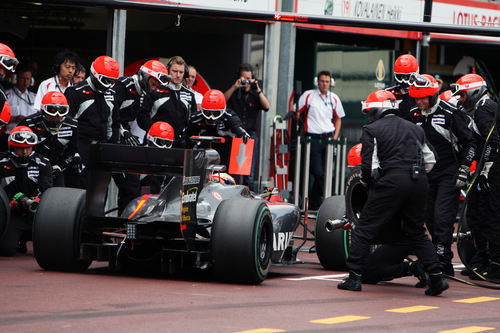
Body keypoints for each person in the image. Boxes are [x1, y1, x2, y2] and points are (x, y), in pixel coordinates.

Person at [337, 89, 448, 296]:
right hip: (419, 181)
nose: (369, 116)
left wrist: (367, 184)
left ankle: (353, 278)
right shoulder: (415, 128)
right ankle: (436, 277)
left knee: (364, 229)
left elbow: (369, 166)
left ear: (377, 111)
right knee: (417, 232)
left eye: (370, 112)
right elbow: (431, 160)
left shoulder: (371, 129)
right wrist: (414, 177)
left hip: (392, 181)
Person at [409, 74, 476, 276]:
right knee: (428, 217)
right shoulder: (412, 115)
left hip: (449, 173)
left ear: (433, 94)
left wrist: (464, 168)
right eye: (416, 98)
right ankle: (436, 255)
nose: (420, 102)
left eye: (424, 97)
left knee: (442, 217)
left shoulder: (450, 113)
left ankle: (443, 261)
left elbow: (470, 143)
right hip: (425, 175)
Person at [452, 73, 500, 280]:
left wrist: (486, 167)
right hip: (485, 170)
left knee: (491, 215)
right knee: (475, 214)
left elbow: (494, 141)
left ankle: (496, 264)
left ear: (473, 91)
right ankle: (482, 258)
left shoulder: (485, 109)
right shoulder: (479, 110)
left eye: (462, 95)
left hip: (494, 170)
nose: (461, 100)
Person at [113, 59, 170, 210]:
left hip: (121, 141)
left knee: (131, 187)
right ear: (146, 76)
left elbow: (141, 118)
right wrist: (123, 132)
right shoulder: (122, 86)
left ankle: (125, 226)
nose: (155, 89)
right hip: (107, 140)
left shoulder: (142, 94)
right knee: (97, 188)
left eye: (157, 86)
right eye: (154, 84)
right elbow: (109, 113)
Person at [64, 55, 120, 188]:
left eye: (112, 82)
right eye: (106, 81)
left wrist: (112, 148)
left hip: (101, 150)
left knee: (100, 192)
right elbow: (67, 124)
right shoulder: (75, 92)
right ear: (95, 75)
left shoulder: (111, 94)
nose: (109, 85)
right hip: (81, 148)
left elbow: (115, 123)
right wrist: (74, 152)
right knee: (78, 190)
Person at [0, 126, 52, 256]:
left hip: (37, 214)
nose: (24, 152)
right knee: (6, 250)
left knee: (50, 249)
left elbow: (47, 189)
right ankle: (17, 241)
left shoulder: (43, 163)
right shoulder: (1, 163)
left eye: (27, 148)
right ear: (12, 148)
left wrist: (37, 201)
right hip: (11, 214)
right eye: (20, 148)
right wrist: (10, 204)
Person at [298, 70, 344, 209]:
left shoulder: (334, 98)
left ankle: (315, 202)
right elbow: (296, 112)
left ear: (331, 83)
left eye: (327, 81)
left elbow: (338, 119)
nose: (324, 84)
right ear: (317, 82)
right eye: (322, 81)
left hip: (329, 139)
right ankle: (326, 198)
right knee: (318, 172)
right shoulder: (308, 96)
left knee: (327, 172)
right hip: (313, 139)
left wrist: (334, 138)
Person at [224, 63, 270, 191]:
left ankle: (248, 195)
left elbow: (267, 106)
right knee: (234, 170)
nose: (246, 81)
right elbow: (223, 100)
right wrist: (235, 86)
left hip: (250, 135)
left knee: (249, 171)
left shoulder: (255, 94)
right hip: (235, 134)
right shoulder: (235, 92)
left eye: (248, 78)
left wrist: (257, 89)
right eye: (244, 78)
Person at [19, 91, 79, 187]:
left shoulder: (72, 125)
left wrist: (60, 166)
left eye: (62, 111)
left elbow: (74, 150)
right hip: (33, 167)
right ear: (43, 110)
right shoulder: (29, 124)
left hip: (58, 168)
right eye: (51, 110)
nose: (56, 115)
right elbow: (17, 148)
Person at [138, 56, 196, 147]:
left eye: (181, 72)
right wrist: (155, 132)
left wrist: (186, 137)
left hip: (179, 144)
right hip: (155, 141)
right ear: (168, 70)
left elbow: (192, 121)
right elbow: (142, 117)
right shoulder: (155, 89)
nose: (178, 75)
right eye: (175, 71)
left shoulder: (190, 95)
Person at [189, 89, 250, 166]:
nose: (211, 117)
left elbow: (237, 126)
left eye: (215, 113)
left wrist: (242, 133)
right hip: (203, 156)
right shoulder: (196, 118)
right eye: (208, 113)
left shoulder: (229, 116)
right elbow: (187, 134)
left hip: (225, 154)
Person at [141, 121, 175, 194]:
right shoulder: (138, 155)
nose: (164, 147)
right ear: (151, 139)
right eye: (161, 143)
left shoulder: (170, 160)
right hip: (139, 196)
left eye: (168, 144)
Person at [386, 54, 418, 120]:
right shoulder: (387, 92)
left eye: (407, 77)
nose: (403, 81)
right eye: (400, 77)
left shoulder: (423, 90)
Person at [5, 64, 37, 133]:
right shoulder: (6, 96)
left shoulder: (35, 97)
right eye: (22, 78)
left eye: (28, 79)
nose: (25, 82)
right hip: (10, 135)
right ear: (15, 79)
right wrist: (14, 119)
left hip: (30, 135)